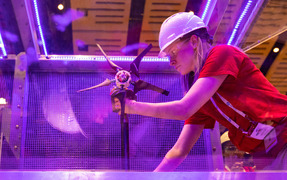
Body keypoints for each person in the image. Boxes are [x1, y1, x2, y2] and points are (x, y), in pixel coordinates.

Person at [112, 12, 287, 171]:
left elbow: (183, 109)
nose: (171, 61)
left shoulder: (222, 53)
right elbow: (179, 151)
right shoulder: (206, 101)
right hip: (268, 158)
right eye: (168, 56)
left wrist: (131, 106)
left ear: (194, 41)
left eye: (173, 52)